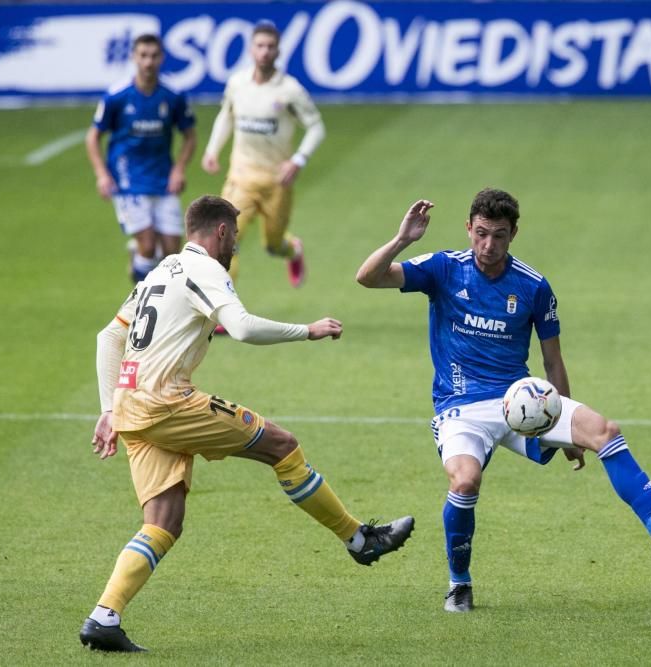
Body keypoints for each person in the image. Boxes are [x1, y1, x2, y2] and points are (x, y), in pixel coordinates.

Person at [355, 189, 651, 613]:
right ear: (468, 229)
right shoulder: (443, 268)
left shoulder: (533, 286)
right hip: (460, 407)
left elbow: (553, 359)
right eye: (480, 234)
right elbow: (368, 278)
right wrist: (403, 240)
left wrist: (566, 428)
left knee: (604, 431)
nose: (488, 246)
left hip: (522, 401)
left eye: (498, 235)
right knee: (464, 482)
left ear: (513, 233)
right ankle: (459, 584)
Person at [80, 195, 414, 652]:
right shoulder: (207, 270)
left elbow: (110, 335)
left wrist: (107, 409)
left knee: (163, 521)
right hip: (166, 403)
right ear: (220, 231)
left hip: (132, 408)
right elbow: (240, 327)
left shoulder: (160, 271)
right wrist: (307, 330)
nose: (236, 243)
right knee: (282, 445)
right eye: (235, 234)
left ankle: (103, 617)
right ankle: (359, 539)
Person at [201, 21, 324, 288]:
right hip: (241, 177)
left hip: (276, 181)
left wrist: (298, 159)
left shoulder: (290, 90)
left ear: (278, 51)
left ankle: (293, 250)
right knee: (225, 241)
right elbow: (226, 116)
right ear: (251, 50)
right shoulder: (237, 84)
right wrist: (212, 149)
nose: (265, 52)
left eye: (270, 47)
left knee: (273, 244)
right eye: (260, 46)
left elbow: (316, 127)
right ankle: (224, 306)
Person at [85, 33, 197, 283]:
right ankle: (141, 308)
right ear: (133, 57)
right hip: (128, 180)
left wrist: (178, 170)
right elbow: (93, 137)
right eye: (143, 56)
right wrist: (102, 175)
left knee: (172, 255)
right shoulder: (117, 95)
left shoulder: (173, 95)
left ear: (162, 58)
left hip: (163, 178)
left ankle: (145, 269)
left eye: (154, 56)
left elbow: (190, 136)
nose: (148, 62)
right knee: (148, 246)